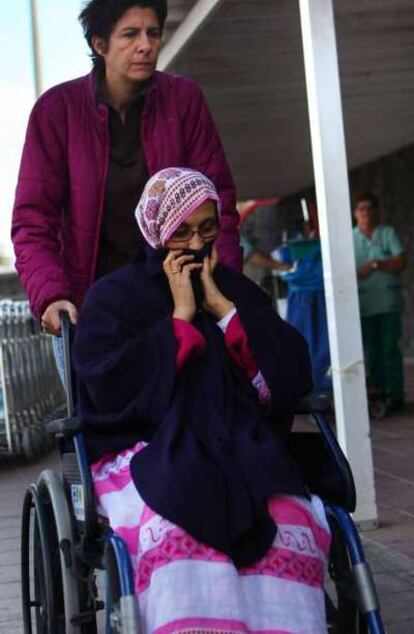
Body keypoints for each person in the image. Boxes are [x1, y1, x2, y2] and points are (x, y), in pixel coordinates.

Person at [73, 167, 331, 634]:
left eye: (208, 229)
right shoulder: (111, 298)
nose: (196, 244)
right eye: (182, 232)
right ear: (156, 230)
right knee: (175, 524)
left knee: (287, 516)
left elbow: (288, 373)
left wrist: (226, 313)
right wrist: (181, 319)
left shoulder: (233, 287)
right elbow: (108, 386)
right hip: (146, 446)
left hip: (236, 442)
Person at [11, 0, 241, 343]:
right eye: (130, 34)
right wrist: (51, 295)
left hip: (181, 298)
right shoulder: (56, 112)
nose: (146, 46)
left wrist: (225, 286)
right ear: (99, 44)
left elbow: (218, 200)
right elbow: (33, 219)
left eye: (153, 33)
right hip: (93, 310)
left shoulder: (184, 100)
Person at [353, 191, 406, 412]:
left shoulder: (387, 233)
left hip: (387, 302)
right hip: (364, 304)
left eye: (369, 208)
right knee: (371, 352)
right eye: (361, 208)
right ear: (355, 214)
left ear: (376, 211)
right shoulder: (350, 238)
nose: (366, 212)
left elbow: (400, 261)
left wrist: (375, 265)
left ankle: (395, 394)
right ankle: (379, 393)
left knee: (389, 349)